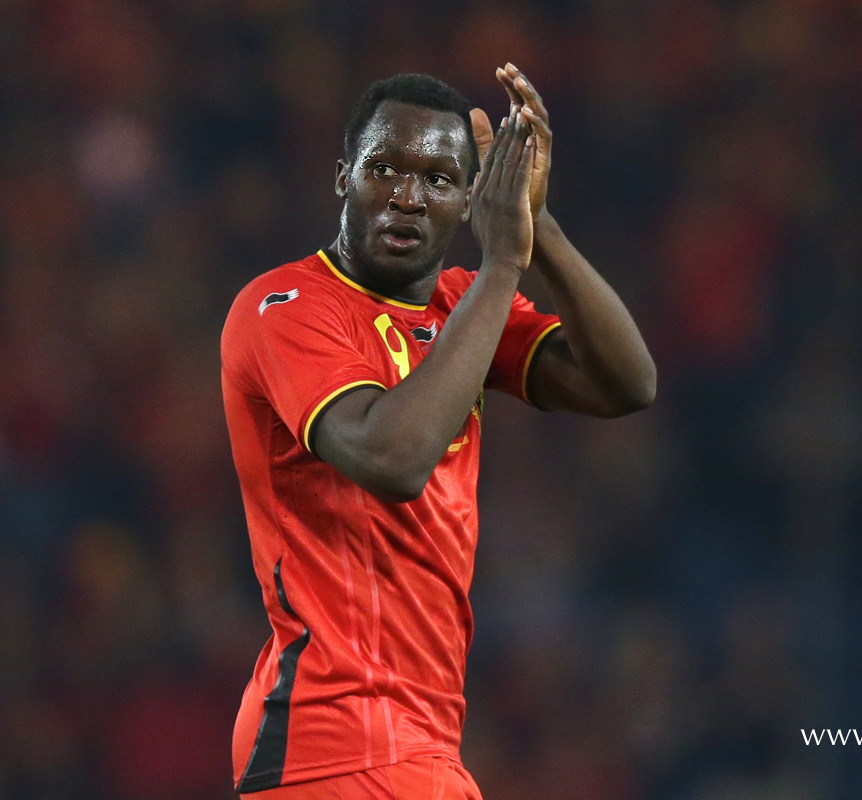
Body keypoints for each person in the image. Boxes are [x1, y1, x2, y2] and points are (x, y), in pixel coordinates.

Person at [220, 65, 655, 800]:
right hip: (330, 740)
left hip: (424, 741)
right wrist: (502, 266)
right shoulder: (286, 306)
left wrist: (536, 226)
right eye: (383, 168)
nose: (408, 197)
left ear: (468, 202)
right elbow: (392, 457)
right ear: (342, 178)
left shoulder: (462, 304)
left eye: (440, 179)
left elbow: (625, 383)